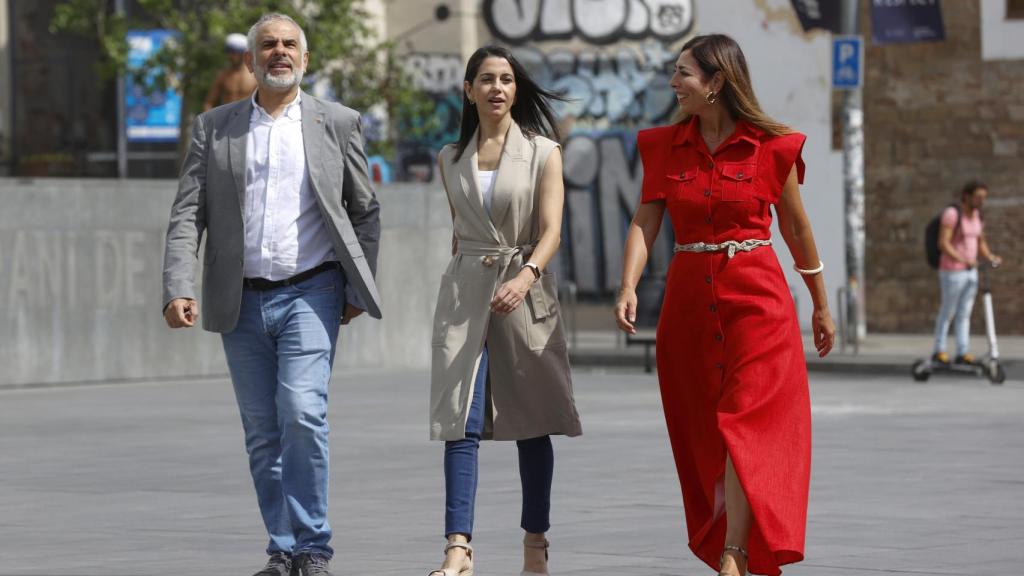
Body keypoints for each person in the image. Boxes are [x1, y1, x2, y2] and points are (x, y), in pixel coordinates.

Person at [161, 13, 381, 576]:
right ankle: (283, 549)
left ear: (305, 60)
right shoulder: (215, 127)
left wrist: (358, 284)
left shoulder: (337, 122)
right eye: (268, 45)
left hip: (313, 291)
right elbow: (188, 213)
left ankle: (314, 547)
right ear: (249, 61)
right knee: (263, 434)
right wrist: (177, 285)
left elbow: (364, 210)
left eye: (289, 45)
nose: (279, 52)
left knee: (303, 414)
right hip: (240, 301)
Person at [614, 34, 834, 576]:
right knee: (702, 428)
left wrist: (821, 305)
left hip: (759, 301)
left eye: (684, 73)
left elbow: (799, 231)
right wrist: (628, 285)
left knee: (744, 422)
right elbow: (647, 220)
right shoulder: (664, 145)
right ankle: (728, 543)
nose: (673, 83)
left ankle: (734, 552)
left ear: (716, 83)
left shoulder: (771, 147)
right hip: (688, 305)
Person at [427, 45, 582, 576]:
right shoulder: (449, 158)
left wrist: (525, 275)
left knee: (532, 423)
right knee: (459, 422)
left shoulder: (543, 151)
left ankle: (534, 546)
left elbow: (552, 230)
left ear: (517, 90)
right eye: (486, 79)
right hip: (465, 295)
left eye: (507, 79)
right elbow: (458, 231)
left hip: (525, 289)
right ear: (468, 89)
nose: (498, 88)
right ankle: (457, 548)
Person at [931, 181, 1002, 365]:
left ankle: (962, 352)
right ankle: (939, 350)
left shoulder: (977, 216)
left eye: (984, 197)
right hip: (952, 272)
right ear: (966, 195)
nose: (981, 201)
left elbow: (981, 242)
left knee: (964, 313)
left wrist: (991, 257)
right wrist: (963, 260)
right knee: (948, 311)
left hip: (971, 272)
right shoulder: (952, 214)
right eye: (978, 196)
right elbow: (943, 243)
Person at [203, 32, 258, 111]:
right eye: (229, 52)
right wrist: (207, 121)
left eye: (234, 53)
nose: (230, 56)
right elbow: (209, 102)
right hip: (226, 120)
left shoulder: (255, 76)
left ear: (243, 54)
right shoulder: (222, 75)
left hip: (248, 120)